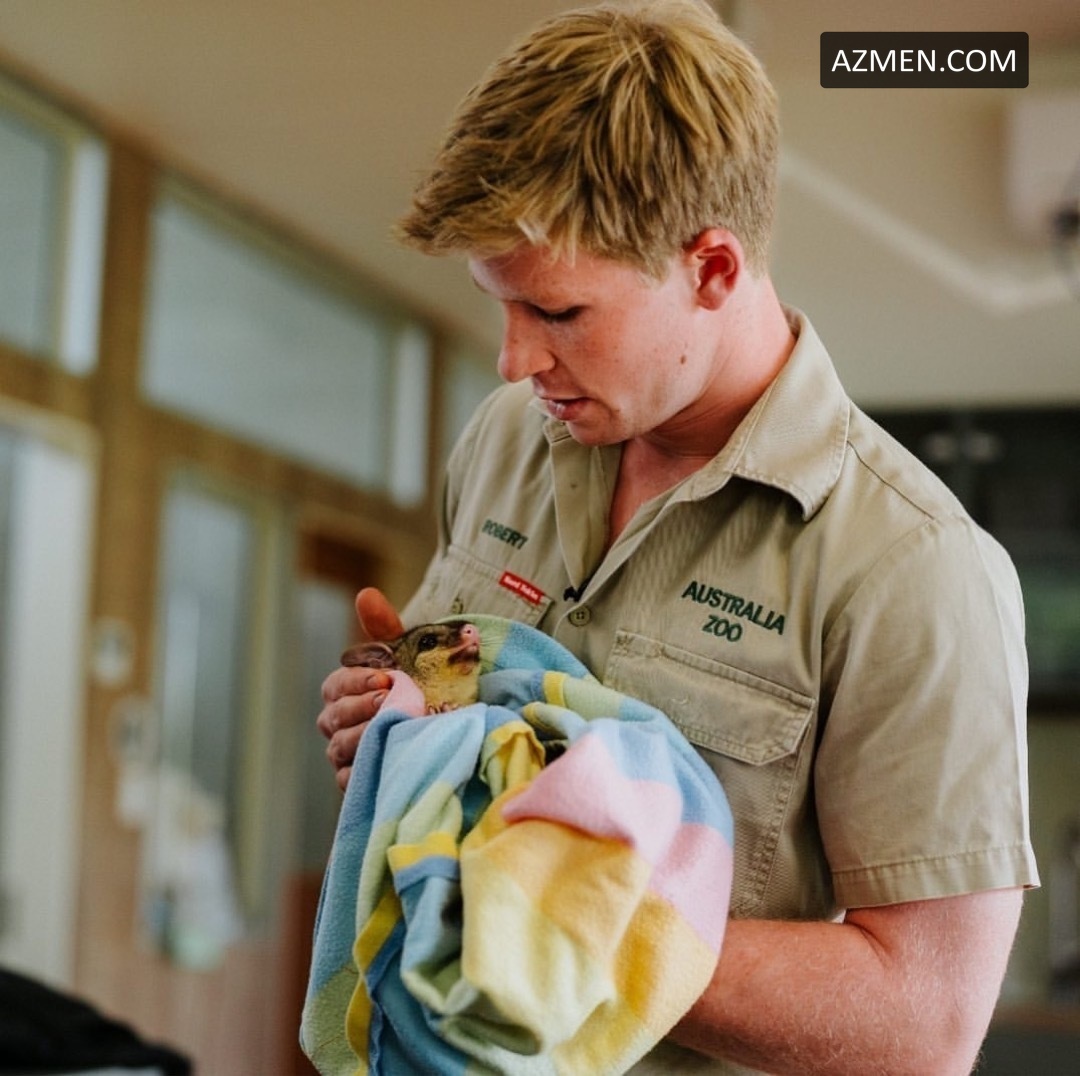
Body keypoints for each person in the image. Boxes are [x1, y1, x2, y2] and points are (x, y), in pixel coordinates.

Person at [317, 1, 1039, 1072]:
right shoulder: (507, 438)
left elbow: (921, 1024)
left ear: (712, 268)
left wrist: (561, 918)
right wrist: (398, 719)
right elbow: (463, 707)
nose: (514, 360)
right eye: (498, 304)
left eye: (560, 314)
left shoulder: (916, 569)